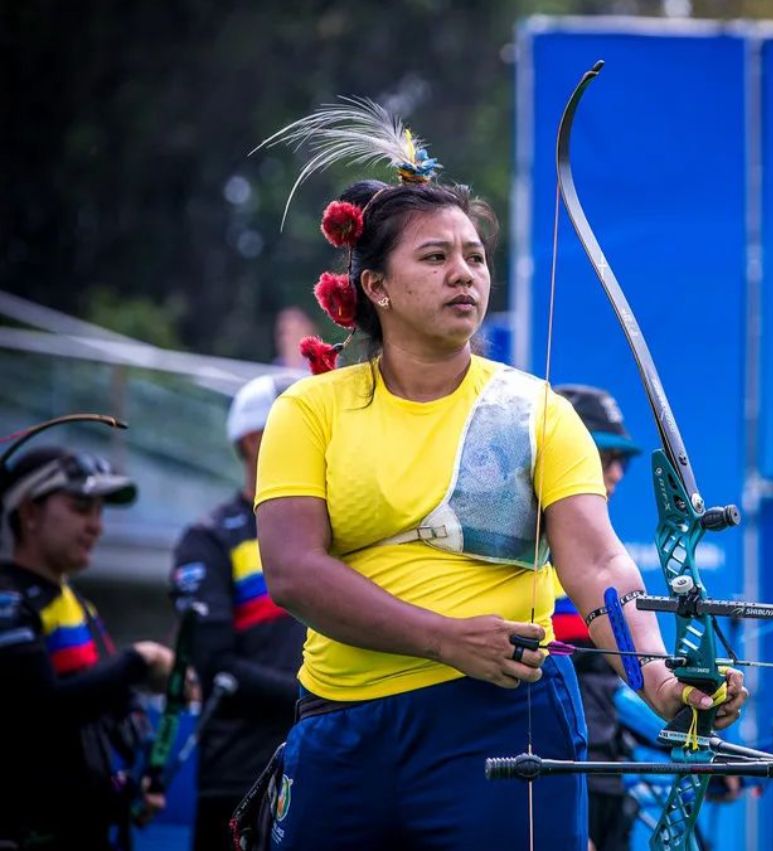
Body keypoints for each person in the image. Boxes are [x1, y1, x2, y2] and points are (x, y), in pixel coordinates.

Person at [250, 104, 747, 850]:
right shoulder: (311, 410)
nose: (464, 274)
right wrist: (442, 638)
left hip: (502, 717)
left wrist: (663, 683)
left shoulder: (535, 410)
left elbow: (599, 562)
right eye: (435, 257)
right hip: (342, 724)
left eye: (475, 256)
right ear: (376, 287)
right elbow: (292, 570)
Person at [0, 447, 175, 850]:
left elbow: (109, 708)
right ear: (29, 513)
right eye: (81, 507)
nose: (97, 526)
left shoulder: (79, 605)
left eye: (99, 511)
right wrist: (139, 659)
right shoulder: (7, 601)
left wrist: (136, 786)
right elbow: (42, 711)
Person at [169, 374, 306, 851]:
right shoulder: (209, 539)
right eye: (301, 426)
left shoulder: (333, 532)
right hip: (238, 777)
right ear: (253, 441)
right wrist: (314, 696)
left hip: (320, 764)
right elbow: (214, 665)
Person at [550, 384, 641, 851]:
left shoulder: (600, 560)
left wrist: (688, 740)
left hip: (605, 778)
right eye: (606, 458)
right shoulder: (527, 563)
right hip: (552, 779)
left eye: (623, 461)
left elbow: (623, 687)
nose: (617, 473)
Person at [272, 307, 318, 371]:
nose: (283, 323)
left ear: (307, 328)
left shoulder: (321, 364)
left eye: (290, 319)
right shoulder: (275, 366)